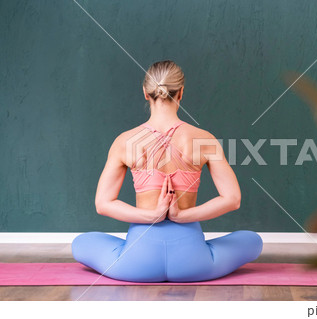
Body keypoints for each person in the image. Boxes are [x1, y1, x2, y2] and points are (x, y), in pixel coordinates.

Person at [71, 60, 263, 282]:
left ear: (145, 92)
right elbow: (233, 199)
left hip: (136, 263)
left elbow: (102, 204)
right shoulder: (204, 140)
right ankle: (201, 248)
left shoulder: (124, 141)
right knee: (252, 240)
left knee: (81, 243)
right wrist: (182, 216)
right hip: (194, 263)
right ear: (181, 92)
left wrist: (152, 216)